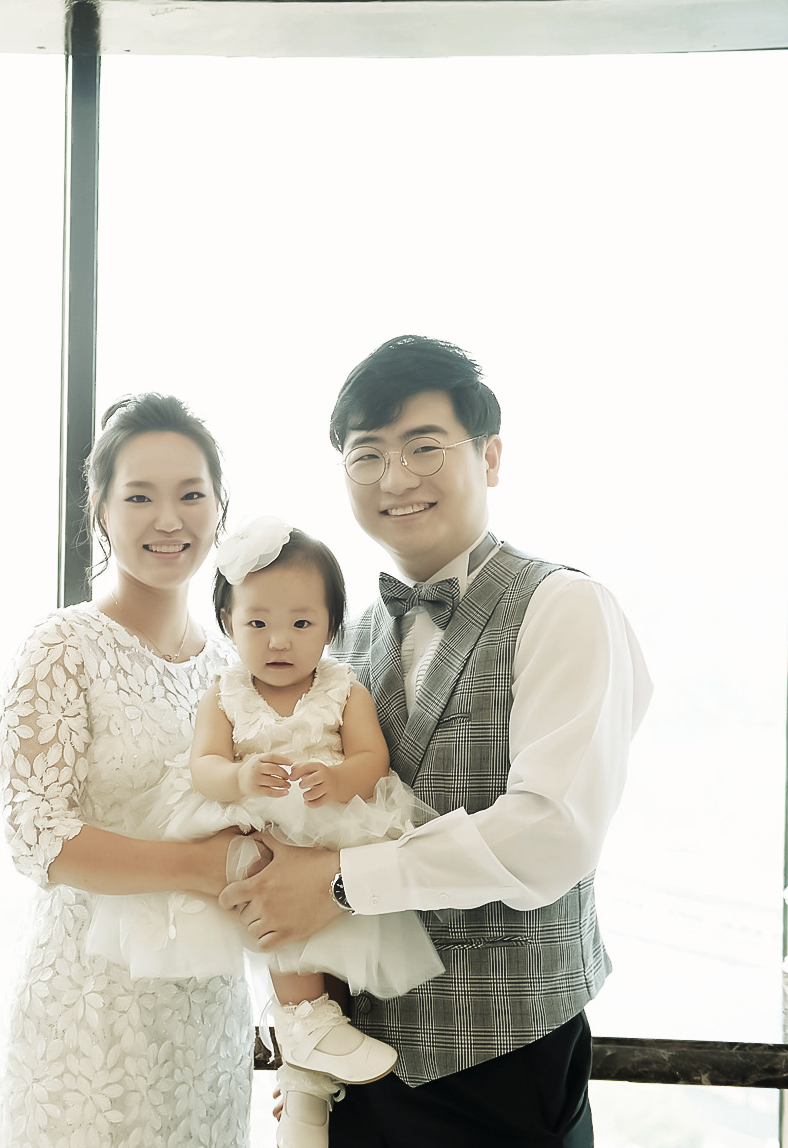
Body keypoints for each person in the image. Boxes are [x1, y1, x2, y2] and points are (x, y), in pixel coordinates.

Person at [220, 335, 652, 1147]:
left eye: (424, 447)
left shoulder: (565, 607)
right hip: (362, 1074)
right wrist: (311, 1040)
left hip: (508, 1070)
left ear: (490, 457)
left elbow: (552, 834)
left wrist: (340, 883)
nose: (395, 478)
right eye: (367, 455)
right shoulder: (341, 639)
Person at [83, 516, 447, 1148]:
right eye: (258, 623)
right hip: (254, 821)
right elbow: (204, 765)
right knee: (273, 906)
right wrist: (241, 776)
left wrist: (339, 779)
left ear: (331, 627)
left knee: (328, 939)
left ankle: (306, 1086)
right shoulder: (224, 693)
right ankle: (305, 1021)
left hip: (329, 824)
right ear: (229, 623)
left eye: (302, 624)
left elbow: (372, 758)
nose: (280, 640)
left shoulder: (343, 688)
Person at [0, 393, 251, 1148]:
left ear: (219, 509)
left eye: (191, 495)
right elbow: (37, 838)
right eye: (140, 496)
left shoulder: (232, 666)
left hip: (208, 1013)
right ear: (101, 510)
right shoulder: (63, 646)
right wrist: (199, 868)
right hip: (90, 1009)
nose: (168, 519)